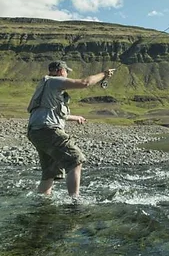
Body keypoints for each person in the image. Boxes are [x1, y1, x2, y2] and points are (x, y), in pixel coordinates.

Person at [26, 60, 115, 199]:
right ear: (61, 71)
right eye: (66, 72)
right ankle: (74, 202)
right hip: (48, 130)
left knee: (50, 171)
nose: (66, 75)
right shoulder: (54, 81)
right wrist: (104, 74)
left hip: (36, 132)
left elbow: (55, 113)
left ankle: (42, 202)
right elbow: (85, 82)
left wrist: (76, 117)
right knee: (75, 159)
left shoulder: (45, 86)